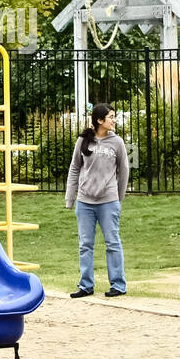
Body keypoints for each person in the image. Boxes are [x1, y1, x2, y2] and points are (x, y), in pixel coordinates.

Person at [64, 103, 130, 298]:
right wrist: (71, 198)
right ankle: (86, 285)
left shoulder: (117, 142)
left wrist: (118, 198)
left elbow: (124, 170)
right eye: (111, 117)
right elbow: (75, 168)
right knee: (85, 244)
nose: (114, 120)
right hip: (85, 202)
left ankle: (118, 284)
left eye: (114, 116)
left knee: (112, 242)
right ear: (99, 120)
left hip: (108, 201)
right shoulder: (84, 140)